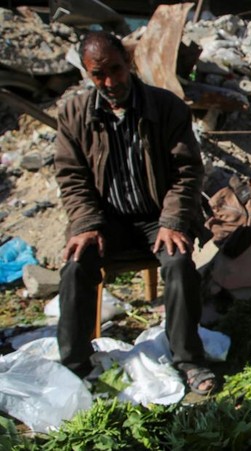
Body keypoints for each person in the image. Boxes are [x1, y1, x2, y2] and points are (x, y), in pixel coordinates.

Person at [54, 31, 216, 395]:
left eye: (115, 69)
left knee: (177, 262)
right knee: (76, 264)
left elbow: (187, 171)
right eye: (99, 75)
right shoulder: (74, 114)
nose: (110, 82)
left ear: (129, 62)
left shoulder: (166, 107)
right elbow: (71, 175)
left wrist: (173, 221)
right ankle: (75, 366)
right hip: (104, 220)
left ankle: (189, 360)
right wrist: (84, 223)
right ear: (87, 74)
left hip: (155, 217)